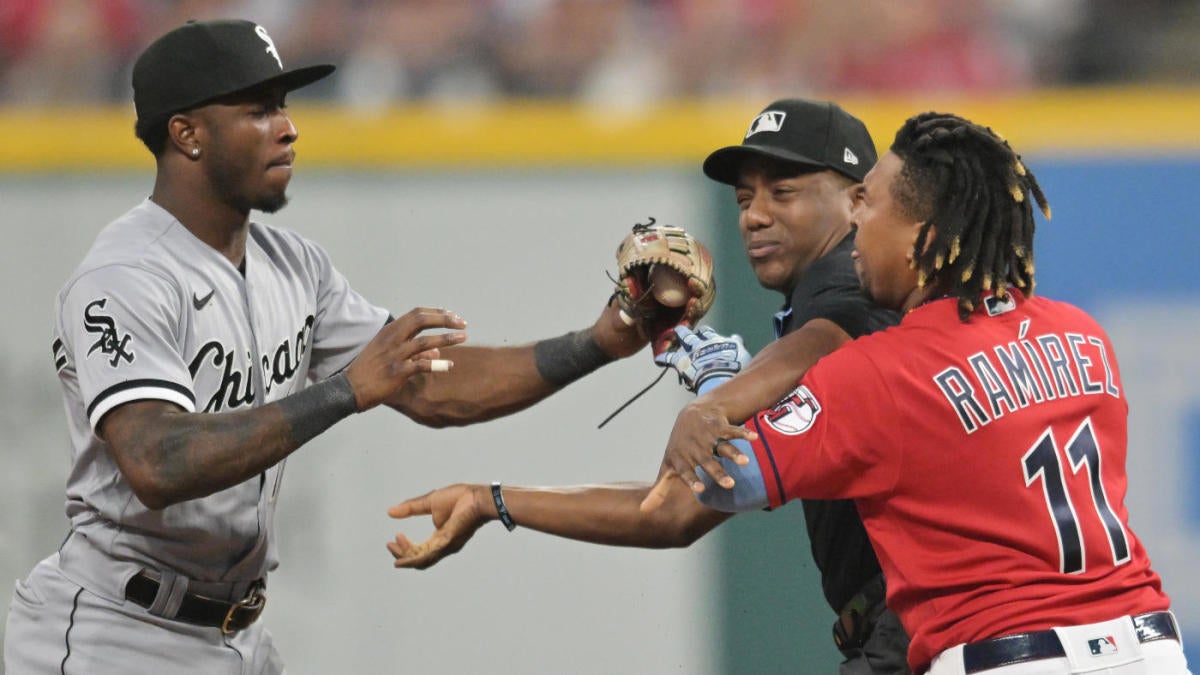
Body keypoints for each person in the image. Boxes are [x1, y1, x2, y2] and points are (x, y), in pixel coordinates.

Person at [2, 19, 650, 675]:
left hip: (233, 636)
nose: (287, 127)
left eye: (282, 105)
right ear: (187, 133)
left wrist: (599, 341)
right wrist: (342, 392)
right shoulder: (127, 275)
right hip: (114, 636)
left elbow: (430, 385)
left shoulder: (292, 264)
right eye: (256, 110)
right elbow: (156, 460)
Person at [639, 111, 1192, 674]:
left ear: (922, 239)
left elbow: (724, 480)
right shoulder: (1082, 333)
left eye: (869, 204)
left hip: (1006, 655)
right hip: (1149, 647)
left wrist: (716, 384)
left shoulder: (879, 371)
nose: (854, 218)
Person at [387, 99, 911, 673]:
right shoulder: (825, 301)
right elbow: (675, 511)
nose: (754, 216)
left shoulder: (849, 286)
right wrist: (491, 501)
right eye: (743, 198)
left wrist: (718, 399)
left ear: (857, 200)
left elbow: (828, 337)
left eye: (782, 193)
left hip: (917, 627)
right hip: (901, 624)